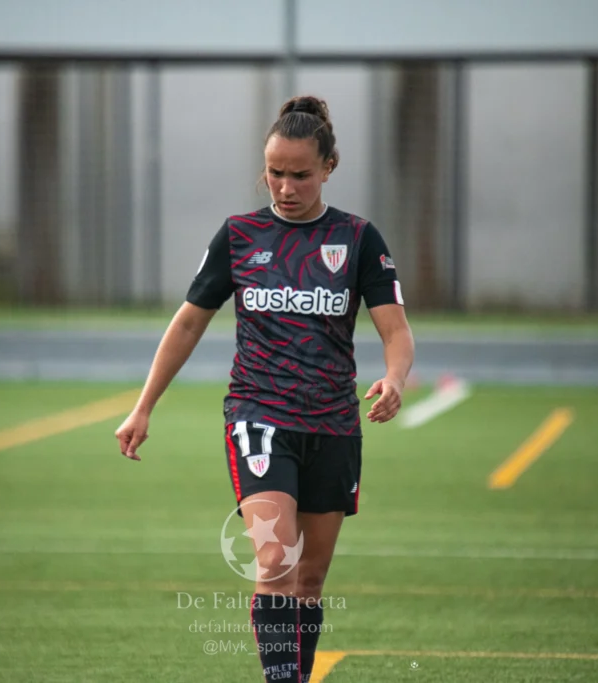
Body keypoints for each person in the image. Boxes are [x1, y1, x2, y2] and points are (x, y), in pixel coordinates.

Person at [115, 95, 415, 683]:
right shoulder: (240, 236)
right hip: (260, 416)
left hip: (333, 424)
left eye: (300, 174)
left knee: (311, 580)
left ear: (328, 167)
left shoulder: (358, 239)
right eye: (274, 173)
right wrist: (143, 406)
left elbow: (395, 329)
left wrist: (395, 378)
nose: (285, 186)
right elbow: (189, 321)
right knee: (276, 560)